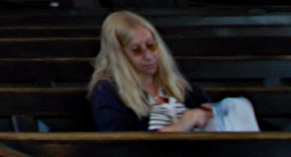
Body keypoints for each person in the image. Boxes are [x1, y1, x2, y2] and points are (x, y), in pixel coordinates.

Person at [89, 11, 257, 132]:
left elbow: (204, 106)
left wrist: (211, 112)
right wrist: (180, 126)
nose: (149, 56)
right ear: (119, 56)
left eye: (151, 45)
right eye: (136, 50)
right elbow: (120, 146)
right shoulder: (107, 91)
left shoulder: (173, 82)